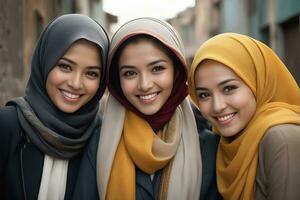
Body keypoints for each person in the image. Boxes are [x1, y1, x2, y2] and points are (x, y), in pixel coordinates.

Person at [96, 17, 219, 200]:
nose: (144, 85)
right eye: (130, 73)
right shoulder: (97, 140)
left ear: (177, 72)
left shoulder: (208, 145)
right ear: (116, 80)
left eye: (157, 69)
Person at [0, 14, 109, 199]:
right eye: (65, 67)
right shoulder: (7, 126)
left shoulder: (103, 138)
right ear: (45, 62)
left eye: (91, 73)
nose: (75, 83)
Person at [188, 32, 300, 200]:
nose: (218, 106)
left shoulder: (281, 137)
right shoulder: (224, 141)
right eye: (204, 95)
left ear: (257, 81)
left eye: (229, 88)